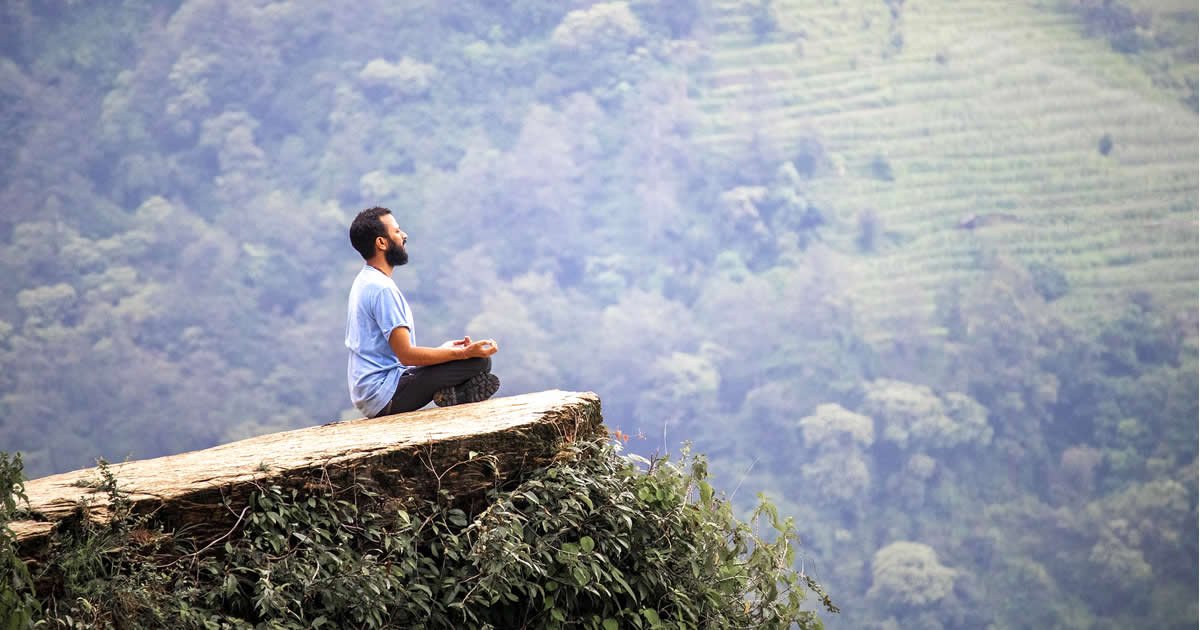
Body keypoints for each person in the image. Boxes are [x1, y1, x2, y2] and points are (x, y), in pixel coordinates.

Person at [345, 206, 499, 417]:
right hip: (385, 395)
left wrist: (443, 351)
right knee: (478, 362)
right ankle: (458, 394)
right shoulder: (382, 289)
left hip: (375, 391)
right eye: (397, 232)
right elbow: (407, 355)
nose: (404, 235)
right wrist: (463, 353)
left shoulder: (365, 281)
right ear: (381, 242)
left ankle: (456, 393)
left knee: (463, 359)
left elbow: (399, 357)